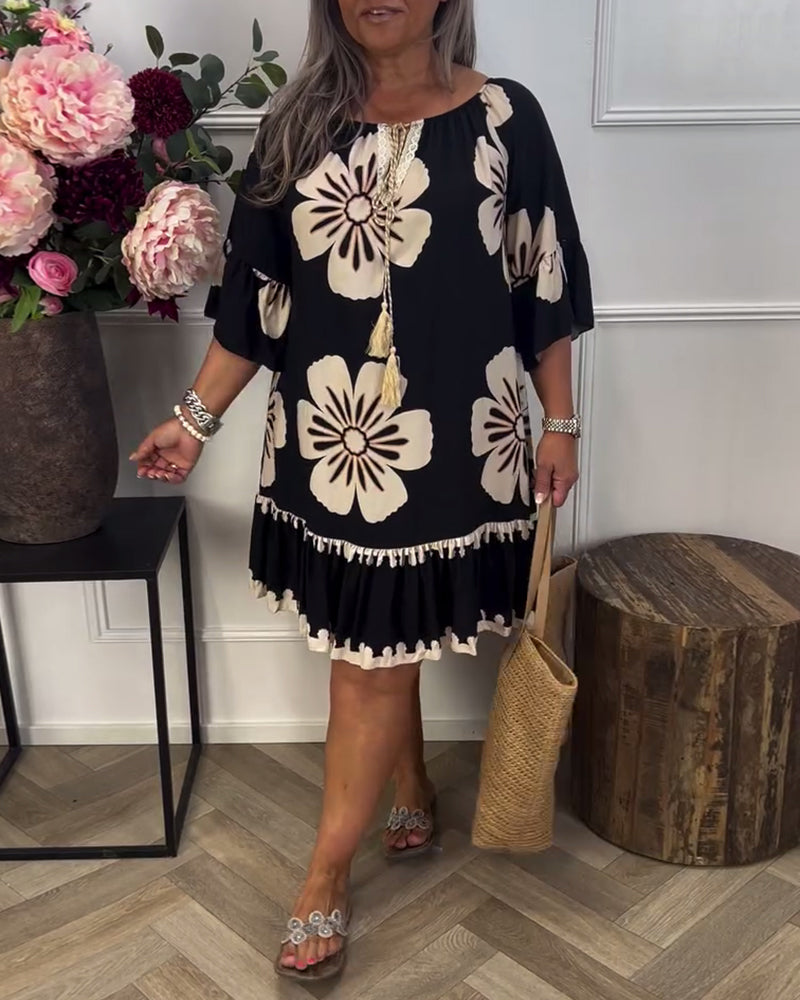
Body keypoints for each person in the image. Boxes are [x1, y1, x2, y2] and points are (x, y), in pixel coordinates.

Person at [131, 0, 593, 982]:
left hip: (461, 440)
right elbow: (257, 301)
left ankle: (346, 849)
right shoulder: (294, 125)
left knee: (377, 649)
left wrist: (561, 422)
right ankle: (371, 822)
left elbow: (541, 278)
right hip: (334, 444)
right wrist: (193, 419)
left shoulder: (507, 119)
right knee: (374, 645)